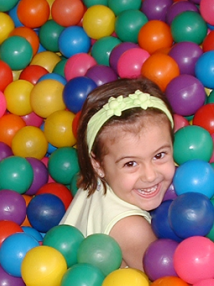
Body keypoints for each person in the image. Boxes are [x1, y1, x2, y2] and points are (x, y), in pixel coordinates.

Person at [60, 78, 176, 271]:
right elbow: (174, 278)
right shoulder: (131, 229)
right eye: (130, 164)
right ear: (98, 165)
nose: (149, 175)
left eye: (159, 155)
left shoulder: (97, 179)